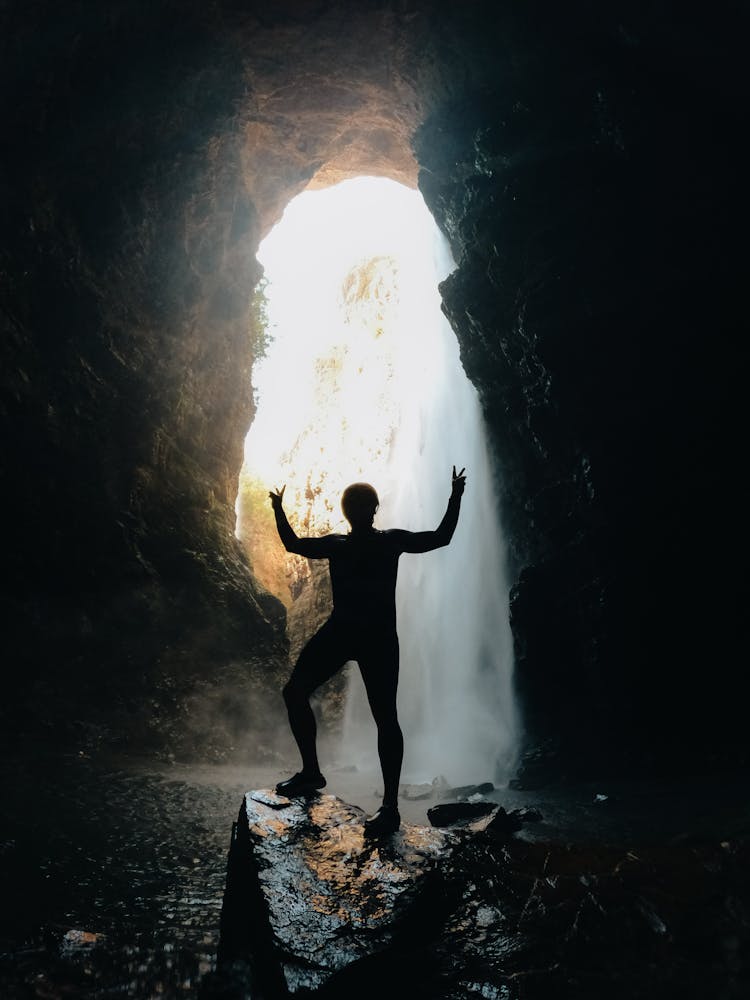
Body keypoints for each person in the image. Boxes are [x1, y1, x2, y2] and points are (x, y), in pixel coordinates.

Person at [269, 466, 466, 837]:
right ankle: (368, 797)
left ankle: (364, 795)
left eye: (361, 504)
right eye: (357, 504)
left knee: (308, 695)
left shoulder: (340, 545)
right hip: (369, 634)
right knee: (381, 717)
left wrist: (279, 509)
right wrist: (455, 497)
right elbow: (441, 537)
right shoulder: (386, 541)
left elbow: (293, 543)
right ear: (371, 509)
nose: (360, 510)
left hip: (350, 631)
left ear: (365, 509)